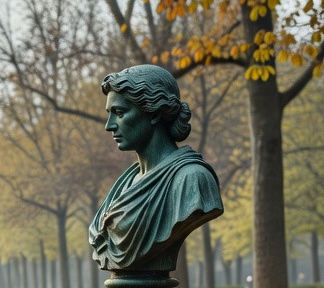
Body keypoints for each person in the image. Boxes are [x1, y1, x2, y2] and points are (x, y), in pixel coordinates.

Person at [88, 64, 223, 272]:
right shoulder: (124, 183)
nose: (109, 125)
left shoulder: (192, 179)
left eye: (120, 113)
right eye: (109, 114)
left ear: (153, 112)